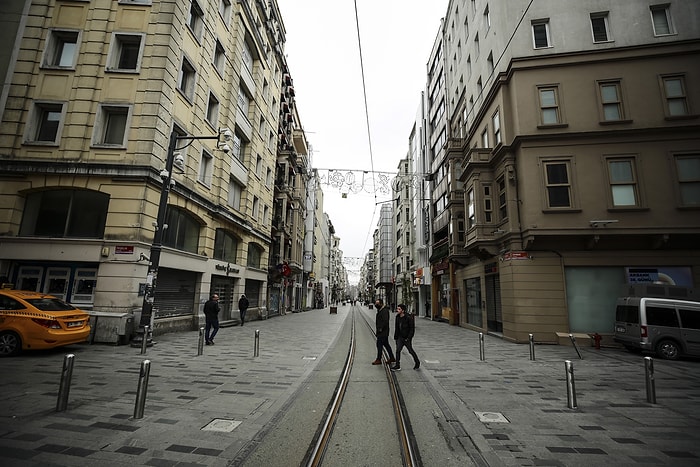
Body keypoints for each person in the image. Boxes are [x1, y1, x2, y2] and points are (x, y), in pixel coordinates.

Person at [391, 304, 420, 371]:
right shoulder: (397, 317)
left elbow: (411, 329)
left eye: (399, 309)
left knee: (410, 351)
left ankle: (417, 362)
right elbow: (397, 328)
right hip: (399, 337)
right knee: (398, 351)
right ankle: (397, 365)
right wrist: (396, 337)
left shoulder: (408, 318)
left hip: (406, 338)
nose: (397, 310)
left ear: (403, 310)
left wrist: (409, 338)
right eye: (397, 309)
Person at [372, 298, 396, 365]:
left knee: (379, 345)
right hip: (383, 332)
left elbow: (385, 321)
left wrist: (380, 329)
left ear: (381, 304)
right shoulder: (380, 310)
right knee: (386, 345)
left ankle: (379, 359)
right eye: (376, 303)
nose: (376, 304)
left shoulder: (384, 311)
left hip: (383, 332)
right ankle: (392, 357)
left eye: (377, 303)